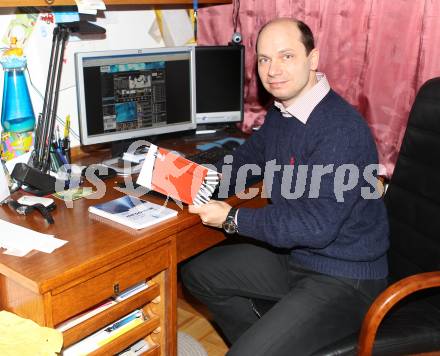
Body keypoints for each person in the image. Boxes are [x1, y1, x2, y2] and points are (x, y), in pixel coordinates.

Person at [181, 18, 389, 356]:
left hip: (345, 277)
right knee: (198, 274)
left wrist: (233, 217)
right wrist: (197, 179)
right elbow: (249, 158)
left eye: (286, 56)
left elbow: (315, 226)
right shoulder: (284, 113)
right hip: (298, 258)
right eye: (264, 59)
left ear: (313, 59)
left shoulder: (339, 131)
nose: (273, 70)